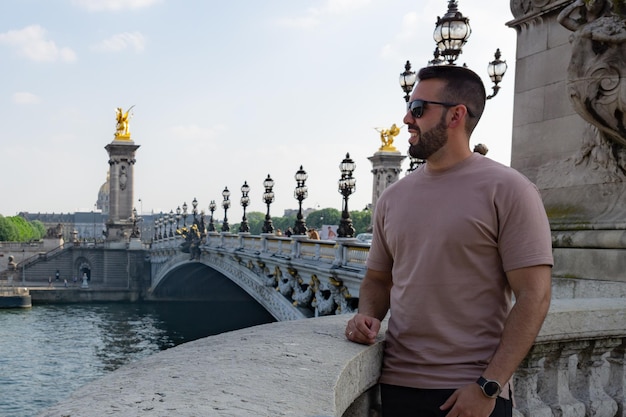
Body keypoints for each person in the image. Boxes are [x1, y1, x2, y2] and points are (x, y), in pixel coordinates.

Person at [344, 65, 553, 417]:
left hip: (471, 392)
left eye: (419, 109)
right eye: (410, 107)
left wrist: (489, 385)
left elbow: (535, 295)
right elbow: (379, 279)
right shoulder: (392, 198)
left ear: (456, 115)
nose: (407, 118)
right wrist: (366, 316)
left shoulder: (510, 190)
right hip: (397, 386)